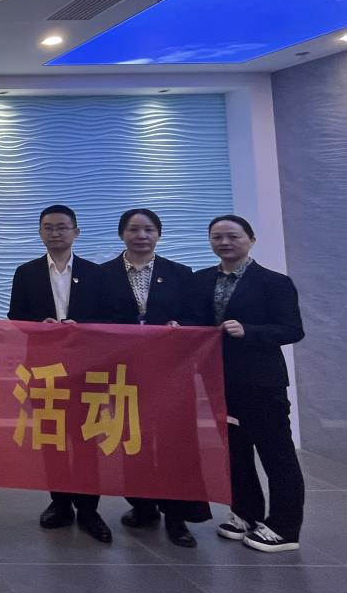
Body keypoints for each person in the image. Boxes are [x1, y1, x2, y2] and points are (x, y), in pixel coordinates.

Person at [190, 215, 305, 552]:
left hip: (262, 383)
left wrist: (250, 331)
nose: (225, 243)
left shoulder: (274, 282)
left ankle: (284, 527)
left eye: (233, 236)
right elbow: (195, 322)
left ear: (251, 239)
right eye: (217, 237)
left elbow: (292, 329)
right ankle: (246, 514)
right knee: (235, 452)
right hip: (219, 381)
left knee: (276, 454)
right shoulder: (200, 280)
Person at [96, 207, 209, 548]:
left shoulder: (180, 274)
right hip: (124, 373)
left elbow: (198, 317)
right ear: (122, 234)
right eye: (134, 229)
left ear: (158, 234)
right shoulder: (102, 275)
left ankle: (177, 517)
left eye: (148, 229)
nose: (141, 236)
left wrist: (181, 326)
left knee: (173, 443)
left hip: (171, 372)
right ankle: (143, 507)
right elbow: (93, 319)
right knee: (133, 440)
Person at [7, 204, 111, 544]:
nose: (55, 233)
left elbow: (111, 319)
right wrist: (41, 327)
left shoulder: (97, 274)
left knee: (86, 439)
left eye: (62, 227)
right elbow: (15, 317)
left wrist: (83, 327)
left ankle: (89, 508)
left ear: (75, 232)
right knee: (52, 437)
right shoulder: (26, 273)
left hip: (87, 368)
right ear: (40, 233)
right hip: (44, 368)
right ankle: (60, 503)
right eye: (48, 227)